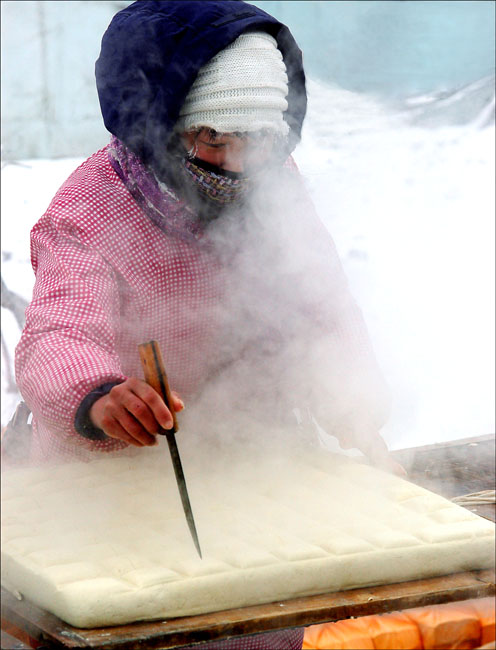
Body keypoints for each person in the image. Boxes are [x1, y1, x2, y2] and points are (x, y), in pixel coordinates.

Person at [14, 1, 403, 646]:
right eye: (212, 139)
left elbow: (319, 305)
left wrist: (350, 401)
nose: (234, 163)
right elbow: (60, 334)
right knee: (144, 624)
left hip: (249, 456)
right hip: (112, 474)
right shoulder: (91, 207)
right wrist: (100, 396)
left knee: (260, 618)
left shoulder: (276, 184)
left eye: (256, 140)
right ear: (160, 128)